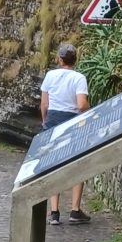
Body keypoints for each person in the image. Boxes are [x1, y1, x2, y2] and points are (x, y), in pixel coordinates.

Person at [39, 43, 91, 226]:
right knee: (77, 164)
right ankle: (75, 211)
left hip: (53, 120)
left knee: (54, 165)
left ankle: (54, 212)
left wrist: (45, 122)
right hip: (72, 122)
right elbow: (82, 105)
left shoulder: (50, 76)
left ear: (59, 59)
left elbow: (44, 104)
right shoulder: (79, 78)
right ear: (75, 60)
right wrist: (90, 116)